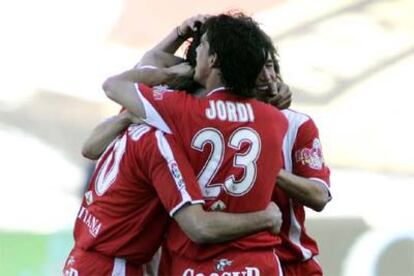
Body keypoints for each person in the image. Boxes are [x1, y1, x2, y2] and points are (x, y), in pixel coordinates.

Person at [102, 13, 288, 275]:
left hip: (196, 264)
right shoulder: (275, 118)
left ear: (212, 59)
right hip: (258, 263)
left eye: (201, 47)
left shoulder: (182, 110)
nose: (195, 50)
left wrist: (170, 73)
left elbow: (114, 85)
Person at [63, 112, 283, 275]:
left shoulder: (133, 119)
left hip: (82, 260)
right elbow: (199, 227)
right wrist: (266, 218)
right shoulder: (159, 142)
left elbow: (88, 149)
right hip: (113, 268)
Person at [254, 47, 332, 275]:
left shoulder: (298, 125)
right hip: (238, 262)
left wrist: (270, 169)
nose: (266, 76)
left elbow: (318, 196)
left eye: (269, 66)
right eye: (256, 68)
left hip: (293, 264)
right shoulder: (214, 119)